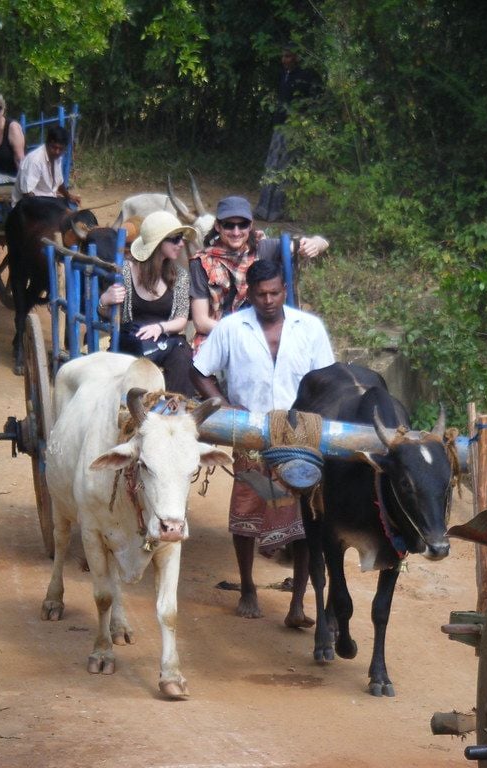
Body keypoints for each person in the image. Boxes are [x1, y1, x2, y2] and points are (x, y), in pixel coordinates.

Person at [191, 258, 335, 624]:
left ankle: (298, 603)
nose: (268, 300)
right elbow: (199, 371)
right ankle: (248, 587)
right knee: (246, 508)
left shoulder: (310, 328)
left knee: (306, 518)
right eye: (260, 294)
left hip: (300, 433)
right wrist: (223, 405)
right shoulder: (231, 328)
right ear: (249, 294)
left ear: (284, 291)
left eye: (274, 292)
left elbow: (328, 380)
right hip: (251, 431)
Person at [189, 195, 328, 351]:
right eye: (229, 225)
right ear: (218, 226)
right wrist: (243, 334)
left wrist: (314, 244)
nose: (236, 232)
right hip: (220, 334)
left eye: (242, 225)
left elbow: (321, 242)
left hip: (265, 334)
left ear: (250, 226)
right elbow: (201, 322)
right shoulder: (201, 263)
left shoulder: (264, 249)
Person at [98, 211, 197, 395]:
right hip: (130, 339)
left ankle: (177, 409)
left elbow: (182, 319)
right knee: (133, 357)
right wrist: (105, 300)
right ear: (158, 243)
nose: (181, 244)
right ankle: (134, 410)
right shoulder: (125, 272)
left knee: (183, 355)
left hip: (166, 339)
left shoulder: (180, 276)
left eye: (181, 238)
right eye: (175, 239)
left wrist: (160, 327)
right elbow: (108, 315)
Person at [253, 42, 319, 222]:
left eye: (288, 56)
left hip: (295, 129)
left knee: (285, 169)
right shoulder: (284, 74)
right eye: (283, 56)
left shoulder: (305, 77)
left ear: (296, 57)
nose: (284, 60)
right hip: (279, 127)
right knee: (271, 166)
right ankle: (262, 209)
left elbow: (313, 103)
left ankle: (276, 211)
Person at [12, 125, 80, 205]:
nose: (57, 152)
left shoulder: (57, 158)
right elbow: (27, 194)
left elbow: (58, 183)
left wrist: (68, 196)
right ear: (48, 143)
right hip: (26, 206)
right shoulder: (35, 160)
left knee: (73, 210)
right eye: (54, 148)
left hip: (47, 202)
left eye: (61, 149)